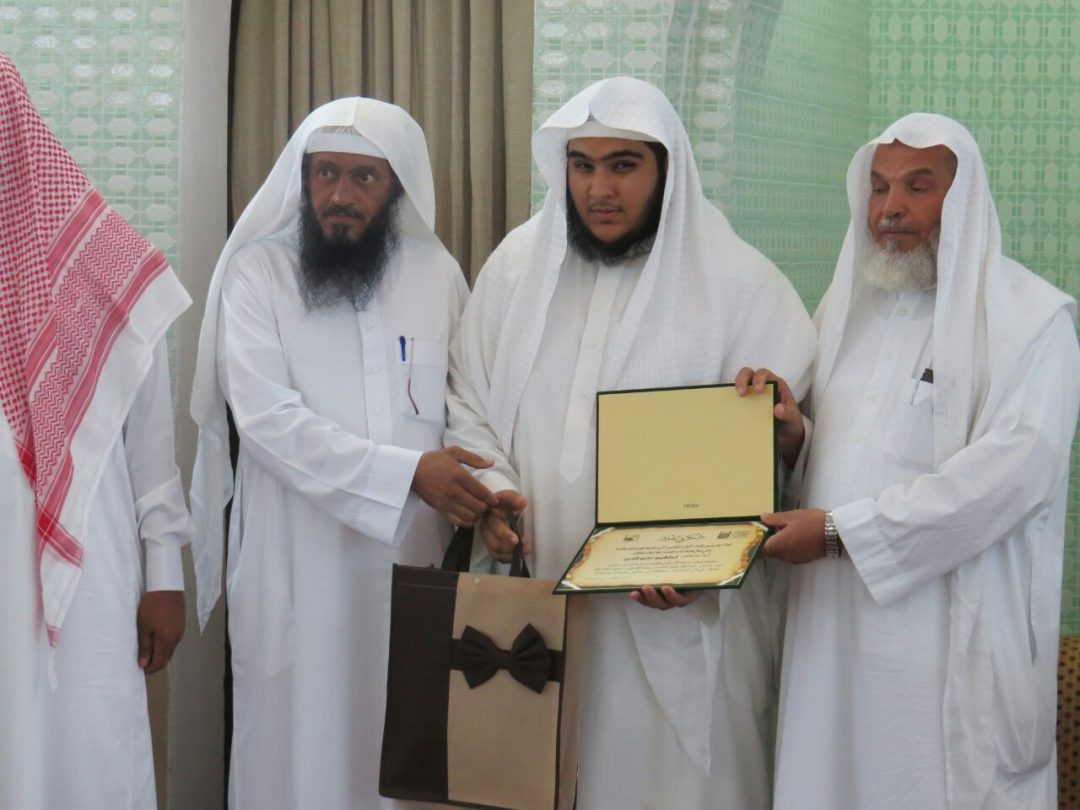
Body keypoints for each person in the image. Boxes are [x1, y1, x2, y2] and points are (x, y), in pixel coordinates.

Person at [444, 76, 815, 809]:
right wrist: (496, 497)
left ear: (666, 170)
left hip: (682, 620)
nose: (599, 190)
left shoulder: (740, 284)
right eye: (581, 166)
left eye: (623, 166)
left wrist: (782, 440)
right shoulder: (517, 269)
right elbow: (468, 401)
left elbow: (788, 444)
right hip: (540, 600)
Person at [737, 113, 1080, 808]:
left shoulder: (1032, 322)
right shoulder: (846, 311)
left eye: (918, 187)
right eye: (879, 187)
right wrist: (794, 437)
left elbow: (1012, 479)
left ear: (964, 199)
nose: (890, 208)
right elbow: (845, 455)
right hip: (829, 632)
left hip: (943, 643)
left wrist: (841, 534)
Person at [188, 97, 496, 809]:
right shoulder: (257, 274)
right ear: (303, 180)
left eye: (363, 177)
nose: (340, 194)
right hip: (296, 564)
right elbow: (266, 420)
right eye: (325, 173)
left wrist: (489, 488)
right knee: (298, 753)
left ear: (395, 188)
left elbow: (465, 403)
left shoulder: (437, 273)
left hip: (411, 564)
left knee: (403, 750)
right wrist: (408, 473)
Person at [0, 53, 193, 810]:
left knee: (84, 746)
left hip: (89, 571)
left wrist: (165, 573)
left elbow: (150, 443)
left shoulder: (102, 261)